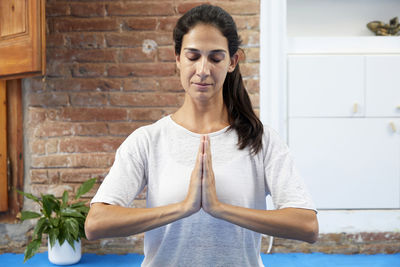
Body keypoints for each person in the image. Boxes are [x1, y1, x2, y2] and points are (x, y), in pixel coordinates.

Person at [85, 4, 318, 267]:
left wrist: (220, 208)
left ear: (232, 62)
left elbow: (307, 225)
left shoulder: (260, 140)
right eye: (193, 56)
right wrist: (183, 208)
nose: (203, 70)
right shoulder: (148, 140)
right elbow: (95, 223)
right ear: (177, 58)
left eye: (216, 58)